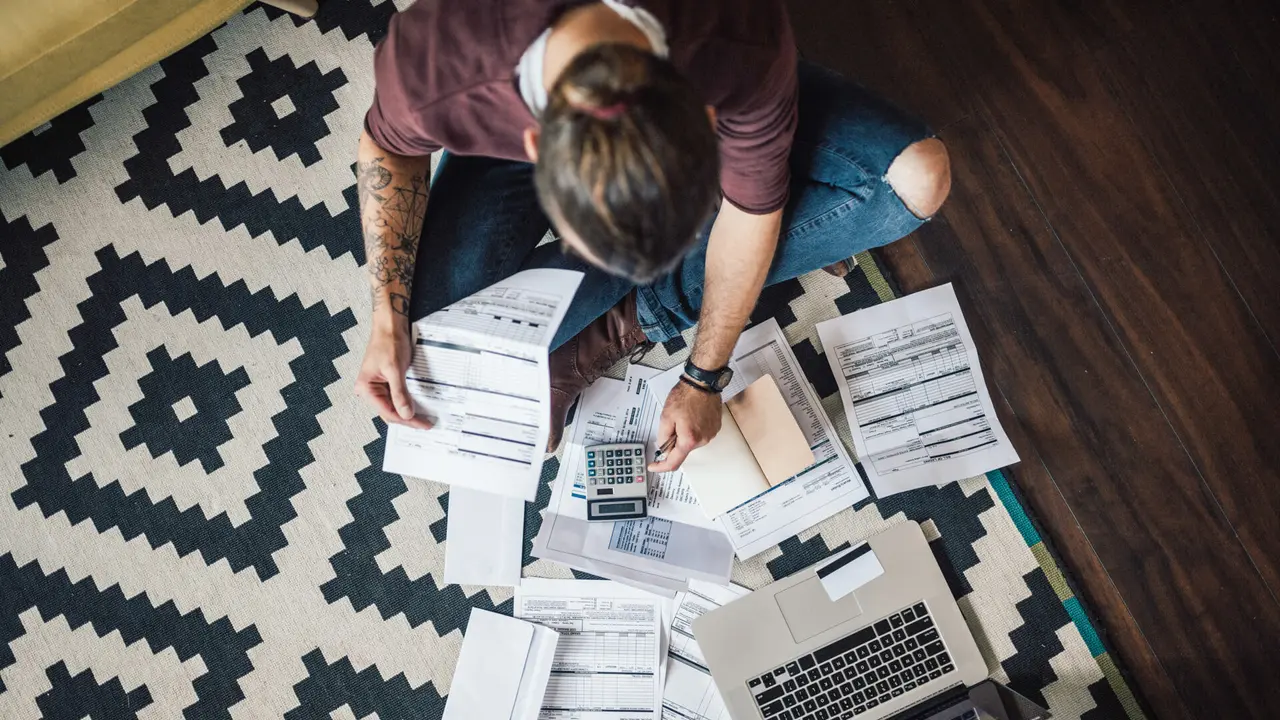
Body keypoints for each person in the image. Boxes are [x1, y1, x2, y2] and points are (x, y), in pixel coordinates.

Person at [353, 0, 951, 473]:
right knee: (433, 344)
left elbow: (752, 215)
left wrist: (704, 373)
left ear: (707, 121)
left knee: (915, 181)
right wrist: (387, 314)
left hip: (723, 65)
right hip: (518, 84)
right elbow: (386, 149)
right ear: (534, 145)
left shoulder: (737, 37)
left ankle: (634, 316)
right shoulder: (439, 65)